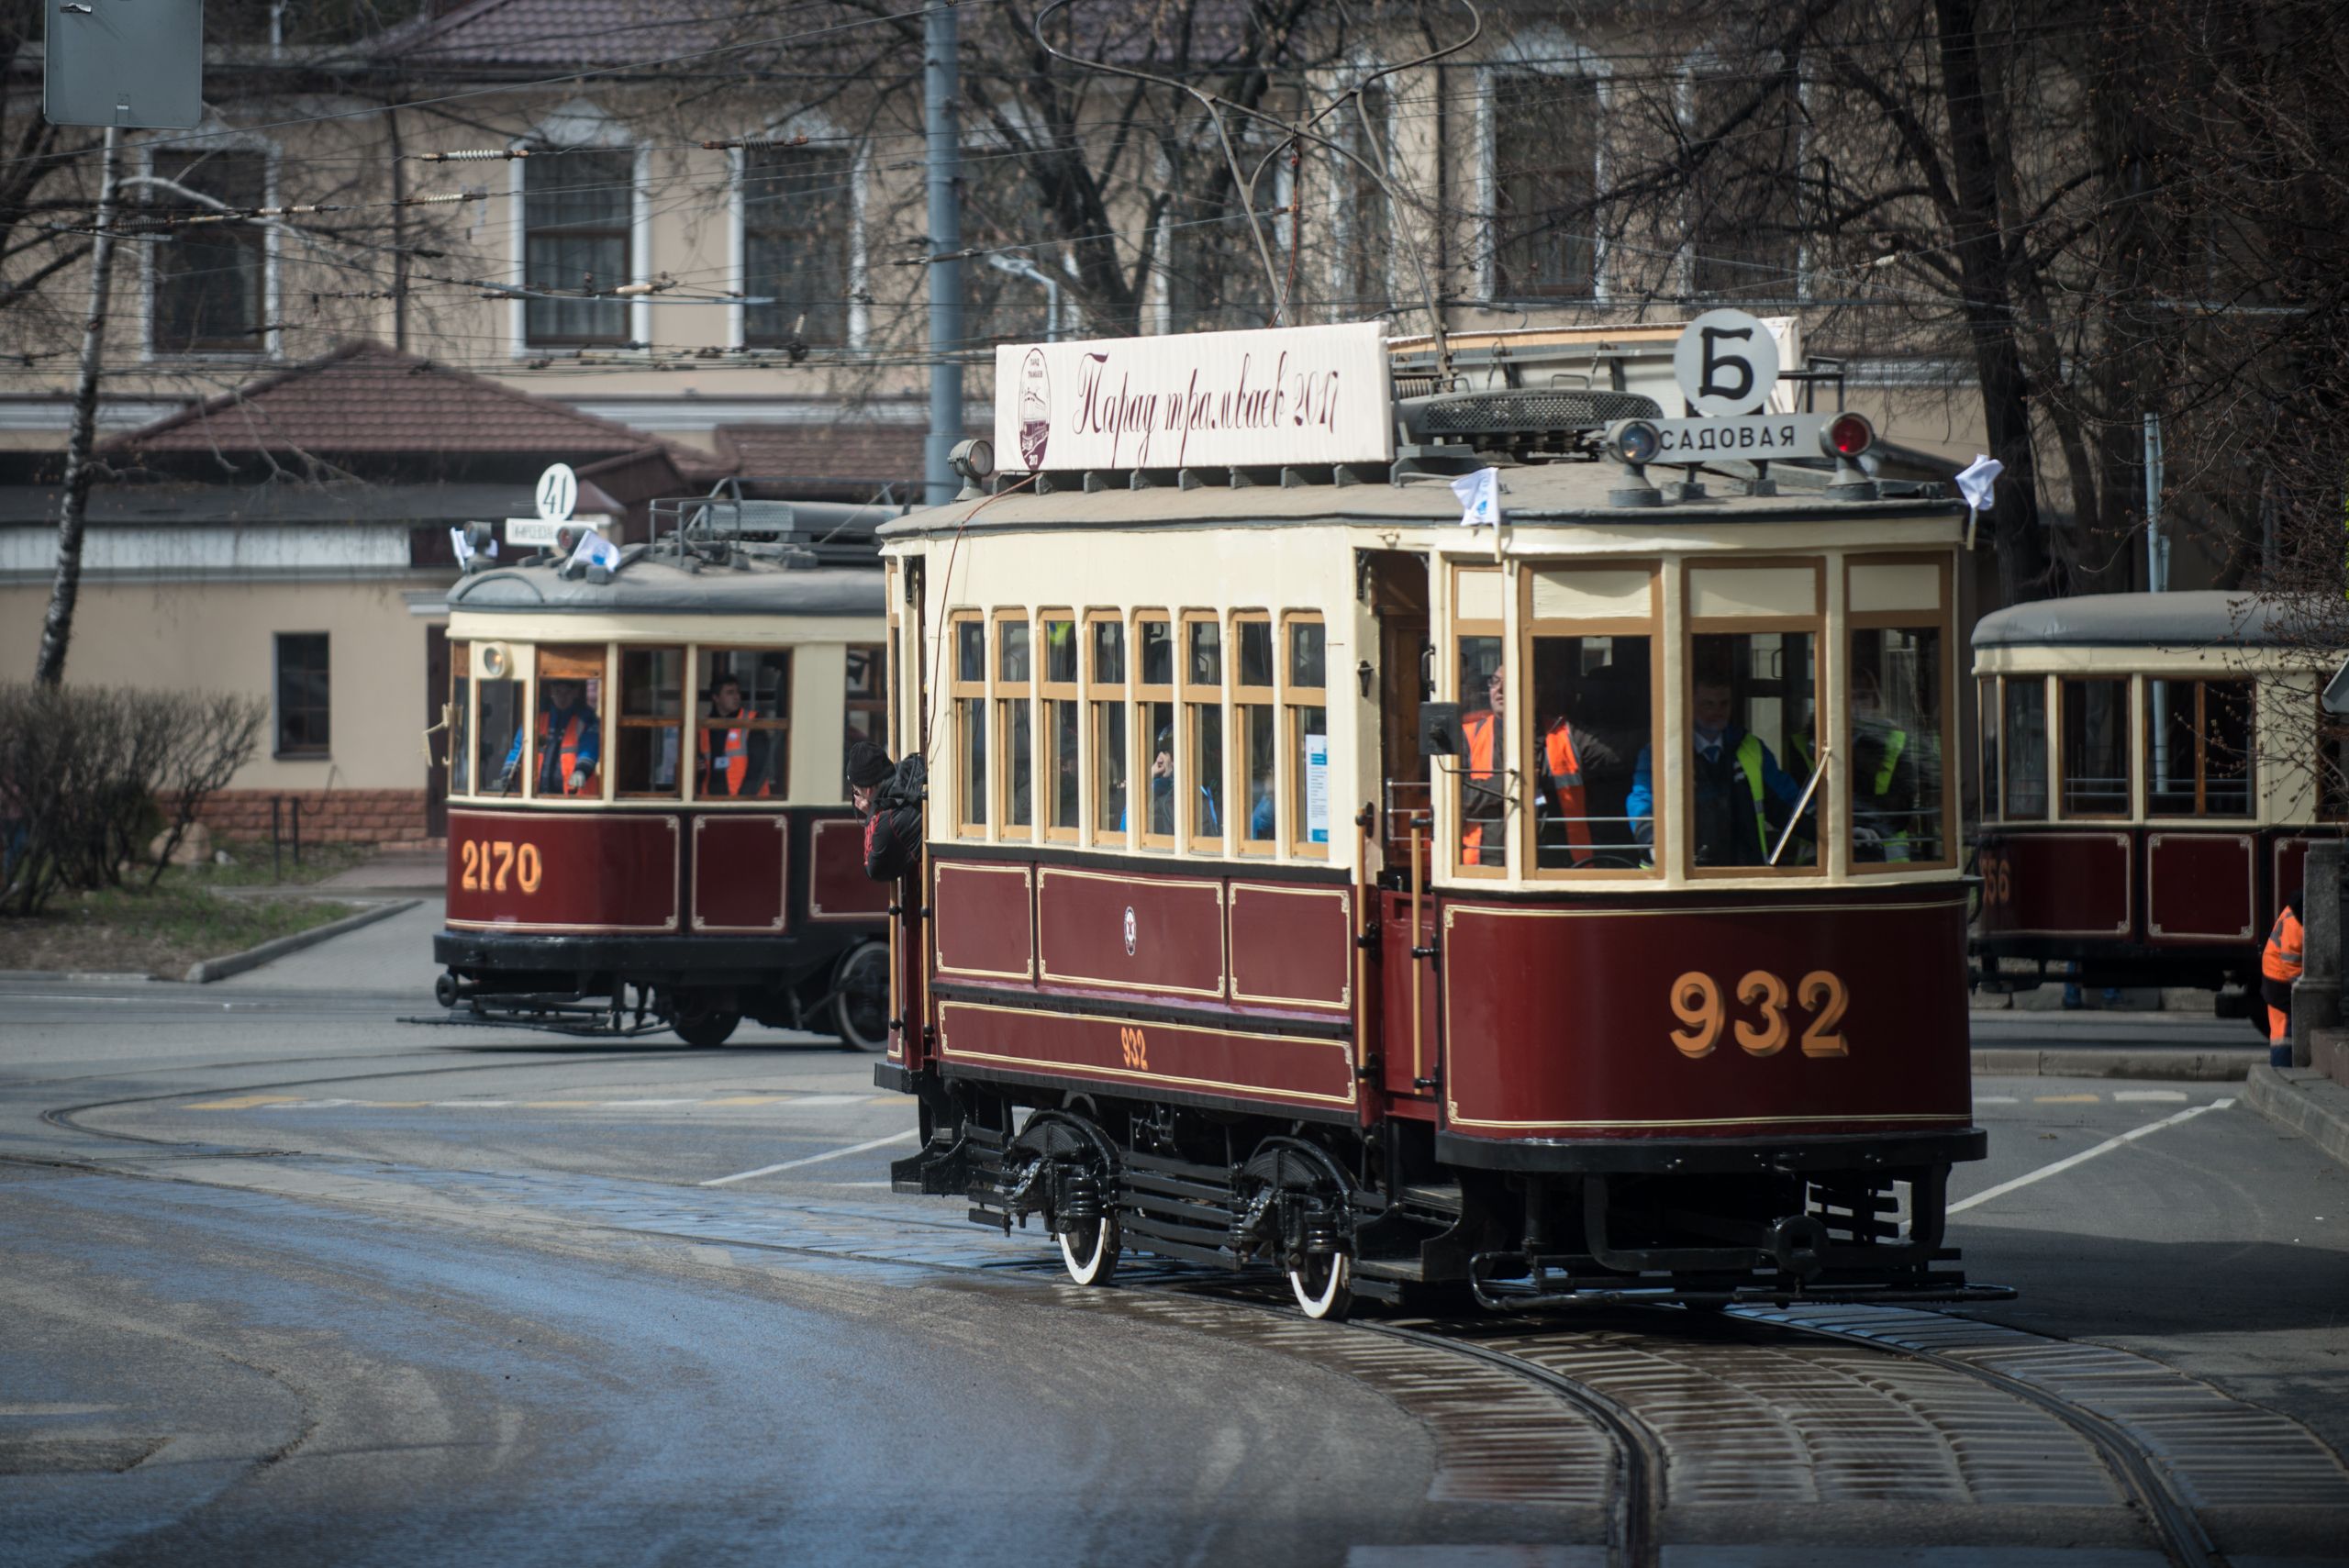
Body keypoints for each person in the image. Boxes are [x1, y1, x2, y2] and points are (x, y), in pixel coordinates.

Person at [1625, 673, 1811, 867]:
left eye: (1724, 704)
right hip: (1686, 873)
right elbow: (1643, 799)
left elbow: (1787, 802)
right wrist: (1653, 843)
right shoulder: (1661, 752)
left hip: (1744, 872)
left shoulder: (1750, 747)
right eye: (1708, 704)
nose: (1717, 711)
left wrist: (1831, 833)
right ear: (1689, 705)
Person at [501, 676, 600, 796]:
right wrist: (508, 772)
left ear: (575, 693)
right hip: (538, 794)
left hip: (575, 795)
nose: (562, 698)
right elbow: (519, 748)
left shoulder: (586, 718)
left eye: (567, 693)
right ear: (551, 691)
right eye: (558, 692)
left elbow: (590, 747)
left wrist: (582, 770)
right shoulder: (536, 716)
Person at [850, 740, 924, 881]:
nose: (855, 793)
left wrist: (871, 815)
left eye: (857, 790)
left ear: (868, 790)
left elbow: (873, 869)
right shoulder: (914, 764)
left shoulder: (887, 820)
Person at [1460, 668, 1507, 866]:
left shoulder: (1557, 735)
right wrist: (1507, 785)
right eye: (1495, 682)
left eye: (1509, 681)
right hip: (1483, 862)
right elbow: (1459, 797)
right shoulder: (1469, 735)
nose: (1500, 690)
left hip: (1552, 859)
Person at [698, 673, 771, 798]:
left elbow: (759, 766)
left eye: (737, 692)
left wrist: (743, 799)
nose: (736, 697)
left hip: (746, 801)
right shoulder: (704, 726)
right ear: (716, 698)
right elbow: (701, 767)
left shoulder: (751, 720)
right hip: (711, 800)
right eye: (730, 693)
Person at [2263, 888, 2304, 1068]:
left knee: (2281, 1031)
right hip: (2279, 980)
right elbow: (2291, 963)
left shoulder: (2296, 913)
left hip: (2275, 975)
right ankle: (2282, 1068)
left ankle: (2281, 1066)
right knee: (2284, 1033)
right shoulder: (2297, 924)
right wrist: (2301, 988)